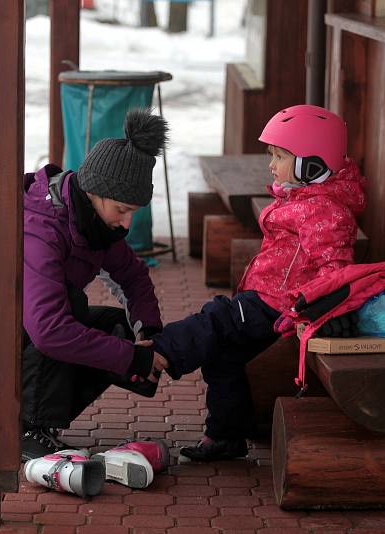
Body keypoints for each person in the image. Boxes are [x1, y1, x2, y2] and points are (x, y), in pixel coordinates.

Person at [147, 104, 367, 461]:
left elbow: (335, 267)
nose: (271, 164)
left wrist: (313, 312)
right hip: (266, 298)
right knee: (222, 356)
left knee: (217, 319)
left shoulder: (325, 211)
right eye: (272, 155)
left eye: (279, 156)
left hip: (282, 307)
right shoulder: (305, 199)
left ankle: (159, 354)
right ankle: (225, 436)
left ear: (311, 165)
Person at [21, 108, 170, 461]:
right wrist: (131, 358)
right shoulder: (44, 228)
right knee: (69, 315)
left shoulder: (96, 223)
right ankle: (26, 428)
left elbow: (133, 276)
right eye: (121, 209)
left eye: (134, 211)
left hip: (31, 330)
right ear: (95, 191)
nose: (127, 222)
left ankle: (43, 422)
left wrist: (147, 333)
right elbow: (48, 330)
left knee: (117, 329)